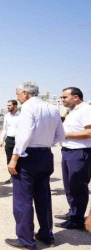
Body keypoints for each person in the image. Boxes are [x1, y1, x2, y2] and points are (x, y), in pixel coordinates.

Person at [5, 81, 64, 249]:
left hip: (28, 156)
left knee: (22, 200)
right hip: (45, 155)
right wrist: (44, 143)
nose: (17, 97)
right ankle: (47, 235)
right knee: (43, 197)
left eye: (18, 94)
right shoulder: (52, 108)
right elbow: (60, 135)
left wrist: (14, 158)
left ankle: (26, 240)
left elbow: (24, 136)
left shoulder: (28, 108)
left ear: (25, 93)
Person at [54, 87, 91, 230]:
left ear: (76, 97)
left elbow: (89, 131)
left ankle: (77, 220)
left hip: (80, 153)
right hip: (68, 152)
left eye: (64, 97)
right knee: (69, 186)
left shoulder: (86, 109)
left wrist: (65, 134)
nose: (62, 100)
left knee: (78, 187)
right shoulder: (73, 112)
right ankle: (73, 212)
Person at [0, 100, 20, 184]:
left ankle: (20, 176)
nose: (8, 107)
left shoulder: (22, 115)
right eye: (7, 105)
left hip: (19, 140)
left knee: (19, 158)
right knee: (9, 158)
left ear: (15, 105)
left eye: (9, 105)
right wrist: (2, 140)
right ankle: (12, 177)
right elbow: (5, 129)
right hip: (9, 139)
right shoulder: (7, 116)